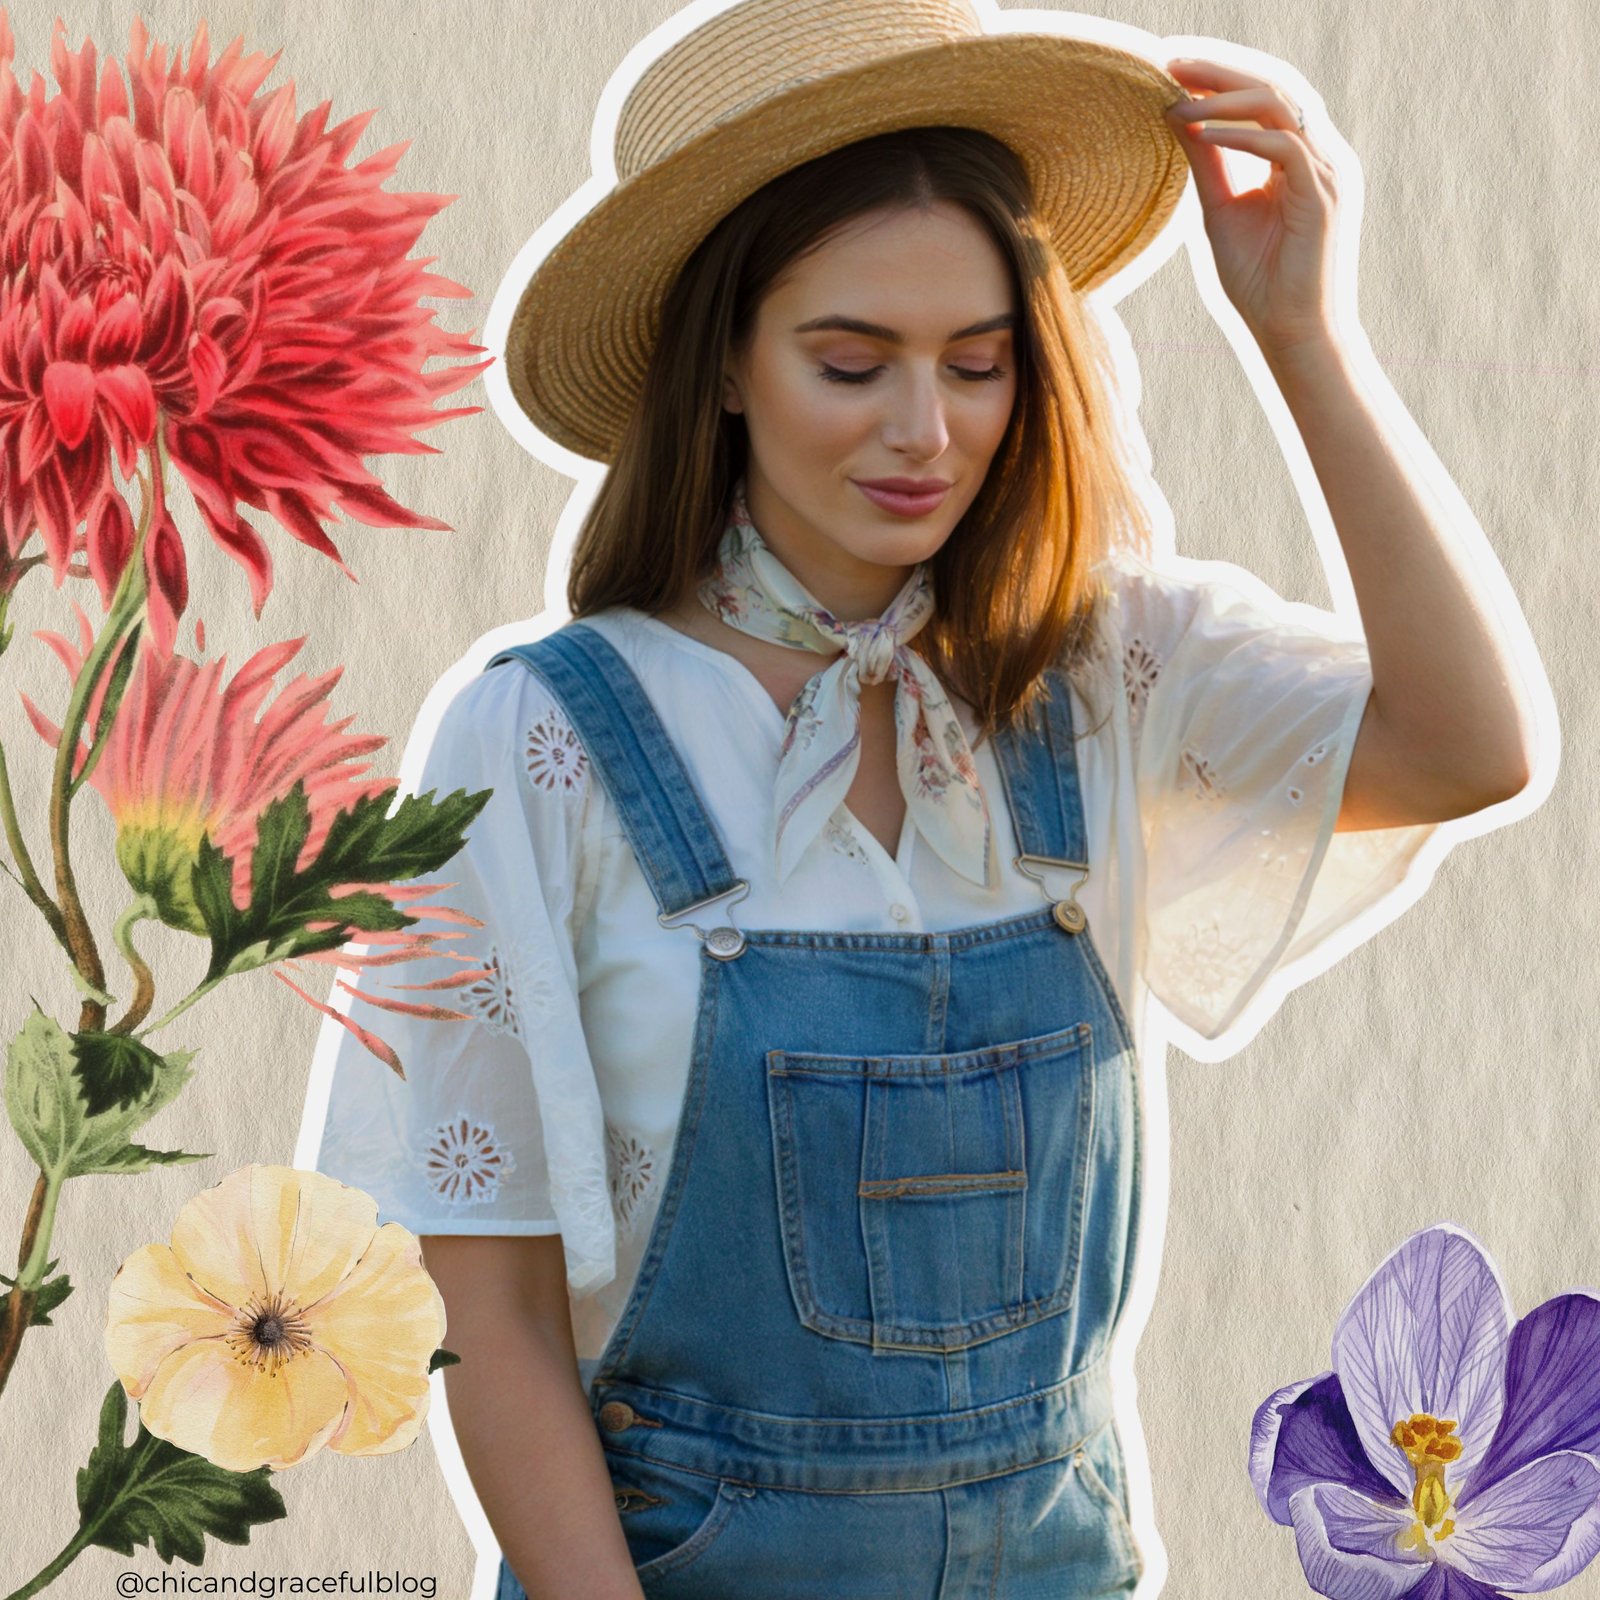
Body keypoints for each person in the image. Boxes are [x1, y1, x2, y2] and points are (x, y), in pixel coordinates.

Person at [312, 0, 1537, 1594]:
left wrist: (1301, 336)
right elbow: (487, 1309)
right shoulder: (543, 736)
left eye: (979, 364)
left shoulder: (1093, 670)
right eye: (849, 362)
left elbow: (1468, 748)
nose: (926, 431)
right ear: (728, 369)